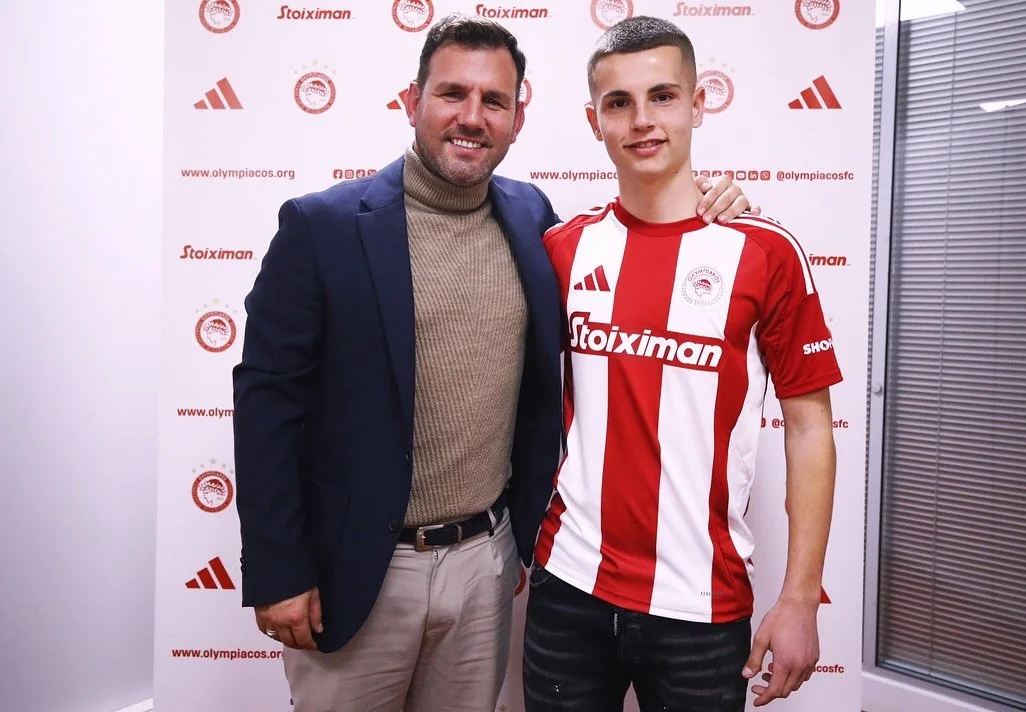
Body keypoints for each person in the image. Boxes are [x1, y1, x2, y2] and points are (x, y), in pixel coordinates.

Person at [232, 13, 752, 712]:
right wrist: (278, 569)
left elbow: (642, 247)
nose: (472, 117)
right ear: (411, 101)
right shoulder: (320, 226)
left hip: (486, 563)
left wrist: (715, 207)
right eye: (452, 93)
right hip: (356, 568)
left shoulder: (532, 218)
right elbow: (267, 404)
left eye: (494, 101)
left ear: (517, 119)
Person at [523, 15, 842, 712]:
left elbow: (809, 427)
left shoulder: (765, 252)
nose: (642, 120)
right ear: (593, 121)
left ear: (697, 105)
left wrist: (799, 599)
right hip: (569, 588)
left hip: (703, 606)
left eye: (662, 96)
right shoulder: (562, 249)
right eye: (619, 102)